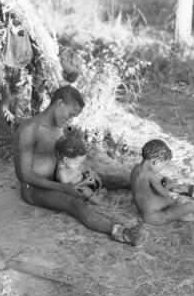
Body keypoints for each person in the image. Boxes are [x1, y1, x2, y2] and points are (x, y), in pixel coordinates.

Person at [14, 85, 142, 245]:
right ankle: (120, 232)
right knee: (74, 203)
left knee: (108, 179)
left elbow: (65, 156)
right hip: (34, 189)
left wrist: (81, 171)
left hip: (59, 177)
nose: (70, 120)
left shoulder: (58, 127)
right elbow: (25, 176)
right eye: (70, 114)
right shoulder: (29, 129)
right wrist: (62, 187)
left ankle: (148, 186)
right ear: (59, 103)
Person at [130, 139, 194, 225]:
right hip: (156, 216)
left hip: (153, 213)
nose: (161, 169)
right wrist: (168, 185)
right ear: (155, 162)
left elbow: (144, 192)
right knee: (192, 206)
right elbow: (164, 193)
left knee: (187, 216)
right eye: (163, 165)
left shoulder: (136, 169)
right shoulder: (149, 175)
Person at [54, 130, 108, 205]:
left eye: (80, 162)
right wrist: (84, 182)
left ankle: (94, 198)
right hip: (78, 191)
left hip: (88, 186)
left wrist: (90, 173)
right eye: (76, 162)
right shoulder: (62, 172)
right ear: (65, 159)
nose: (78, 164)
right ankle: (96, 201)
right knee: (83, 189)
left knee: (104, 190)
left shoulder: (73, 164)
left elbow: (84, 169)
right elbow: (67, 188)